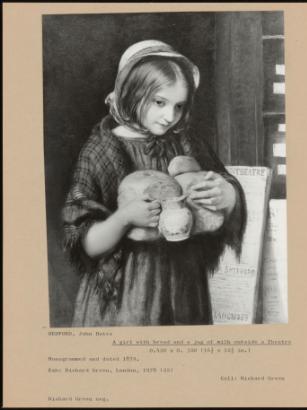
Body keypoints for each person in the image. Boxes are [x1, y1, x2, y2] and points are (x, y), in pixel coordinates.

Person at [62, 40, 247, 327]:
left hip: (184, 287)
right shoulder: (101, 150)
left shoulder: (186, 141)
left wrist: (227, 193)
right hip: (122, 298)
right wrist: (124, 218)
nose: (170, 116)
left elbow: (221, 183)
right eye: (159, 102)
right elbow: (85, 241)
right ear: (131, 93)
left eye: (178, 106)